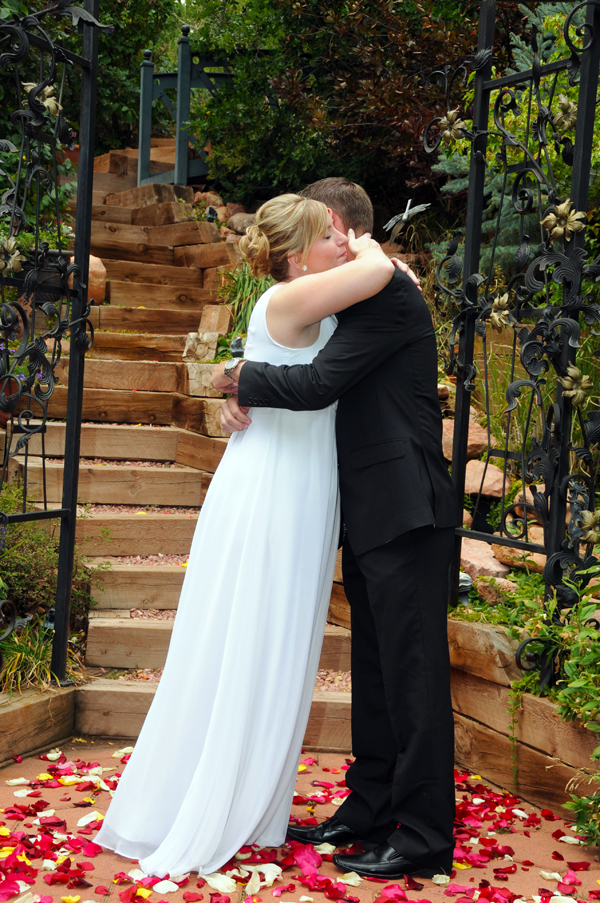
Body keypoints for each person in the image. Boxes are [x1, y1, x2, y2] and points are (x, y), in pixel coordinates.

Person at [95, 192, 395, 879]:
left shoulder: (299, 301)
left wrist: (235, 378)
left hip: (298, 486)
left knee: (276, 644)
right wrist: (373, 246)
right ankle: (217, 804)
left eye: (346, 235)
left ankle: (251, 804)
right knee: (251, 641)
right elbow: (378, 272)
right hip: (271, 493)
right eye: (331, 236)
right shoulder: (290, 300)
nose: (345, 244)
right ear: (296, 256)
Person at [211, 177, 461, 880]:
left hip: (407, 505)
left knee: (412, 681)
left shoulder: (384, 292)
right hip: (372, 508)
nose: (321, 247)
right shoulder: (354, 294)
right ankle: (370, 808)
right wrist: (240, 390)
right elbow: (295, 344)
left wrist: (241, 379)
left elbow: (319, 383)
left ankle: (421, 836)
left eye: (326, 234)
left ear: (347, 235)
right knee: (378, 676)